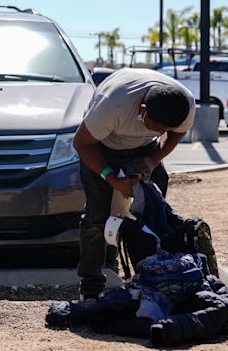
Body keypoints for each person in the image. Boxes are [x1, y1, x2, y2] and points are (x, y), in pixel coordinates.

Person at [73, 68, 196, 301]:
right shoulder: (113, 105)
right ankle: (90, 287)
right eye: (157, 127)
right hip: (101, 147)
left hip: (144, 149)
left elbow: (177, 133)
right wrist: (112, 179)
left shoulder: (184, 103)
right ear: (143, 110)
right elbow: (81, 143)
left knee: (154, 213)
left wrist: (153, 160)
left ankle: (148, 276)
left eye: (164, 130)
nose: (161, 133)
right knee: (96, 217)